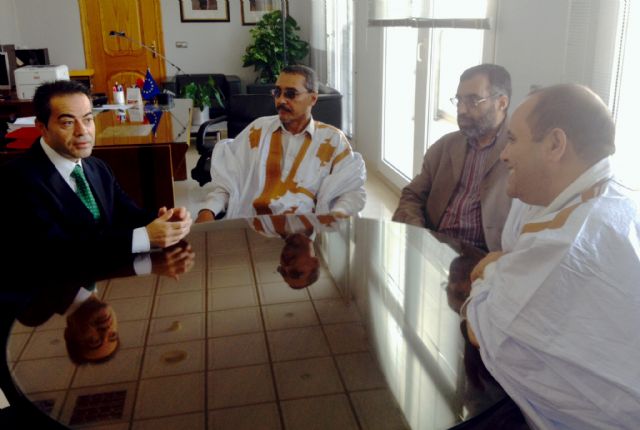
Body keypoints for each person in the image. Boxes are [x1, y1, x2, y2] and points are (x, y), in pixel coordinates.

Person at [463, 84, 640, 429]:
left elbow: (485, 327)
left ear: (555, 144)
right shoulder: (614, 201)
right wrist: (502, 267)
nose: (504, 155)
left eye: (513, 140)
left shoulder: (566, 244)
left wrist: (491, 271)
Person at [0, 80, 192, 253]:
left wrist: (164, 220)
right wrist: (144, 237)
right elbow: (55, 248)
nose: (82, 131)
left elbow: (126, 213)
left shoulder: (97, 167)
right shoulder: (16, 178)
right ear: (42, 127)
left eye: (88, 119)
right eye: (68, 122)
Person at [195, 65, 366, 222]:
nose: (281, 100)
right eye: (277, 92)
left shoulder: (333, 141)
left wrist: (336, 216)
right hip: (252, 226)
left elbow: (350, 191)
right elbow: (227, 184)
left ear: (313, 99)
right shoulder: (257, 131)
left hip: (306, 232)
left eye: (291, 94)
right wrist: (207, 211)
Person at [393, 64, 512, 251]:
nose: (462, 110)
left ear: (502, 103)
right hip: (434, 245)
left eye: (473, 101)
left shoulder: (519, 153)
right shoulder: (445, 146)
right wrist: (419, 235)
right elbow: (412, 196)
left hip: (484, 258)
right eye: (459, 101)